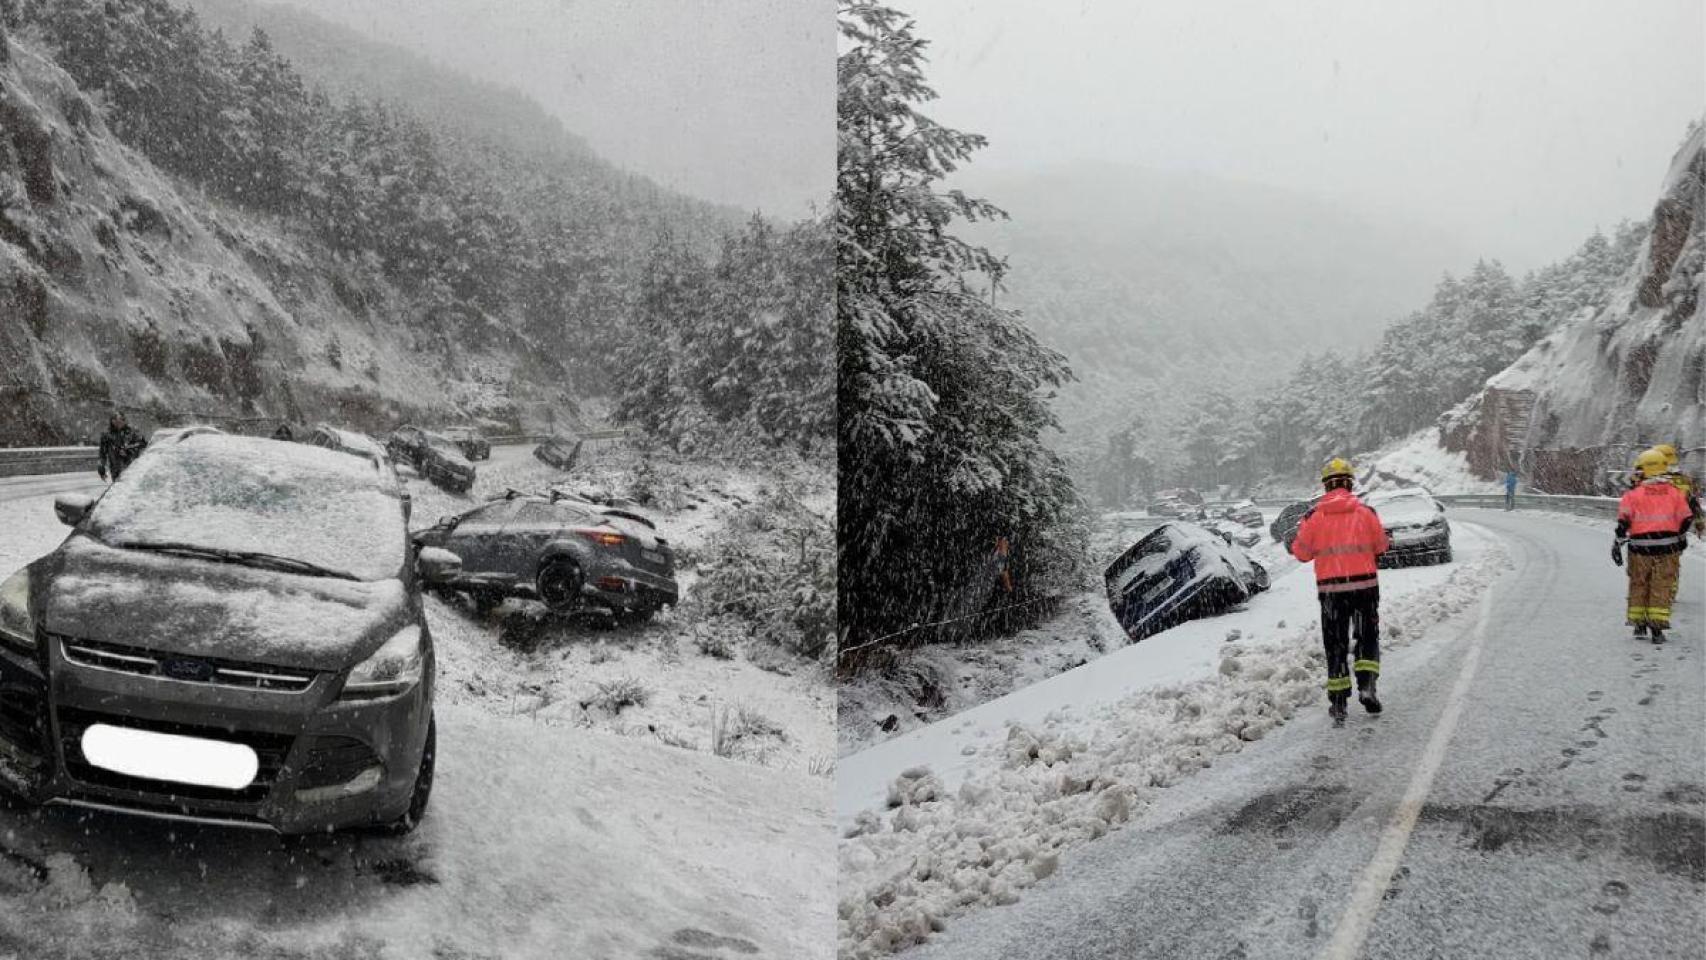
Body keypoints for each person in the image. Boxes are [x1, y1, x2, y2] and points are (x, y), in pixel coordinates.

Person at [1291, 457, 1390, 722]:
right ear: (1349, 484)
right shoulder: (1366, 513)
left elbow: (1301, 553)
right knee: (1367, 636)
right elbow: (1382, 545)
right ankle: (1367, 685)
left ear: (1326, 486)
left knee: (1335, 643)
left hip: (1332, 591)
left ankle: (1338, 701)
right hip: (1366, 587)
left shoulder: (1313, 517)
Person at [1613, 448, 1694, 643]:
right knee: (1661, 586)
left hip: (1639, 549)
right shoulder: (1675, 493)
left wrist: (1617, 543)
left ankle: (1639, 625)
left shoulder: (1633, 495)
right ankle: (1657, 630)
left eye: (1640, 469)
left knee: (1639, 584)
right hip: (1667, 549)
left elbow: (1623, 522)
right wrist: (1679, 536)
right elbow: (1686, 519)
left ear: (1647, 469)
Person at [1653, 443, 1703, 539]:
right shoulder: (1684, 480)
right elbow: (1694, 505)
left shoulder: (1648, 480)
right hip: (1675, 533)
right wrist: (1699, 523)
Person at [96, 411, 146, 482]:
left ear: (124, 421)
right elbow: (102, 453)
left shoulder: (133, 432)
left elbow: (143, 445)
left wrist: (128, 451)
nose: (118, 423)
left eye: (121, 420)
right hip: (115, 469)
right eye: (115, 420)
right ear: (111, 421)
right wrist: (101, 468)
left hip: (133, 467)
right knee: (119, 487)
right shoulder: (106, 435)